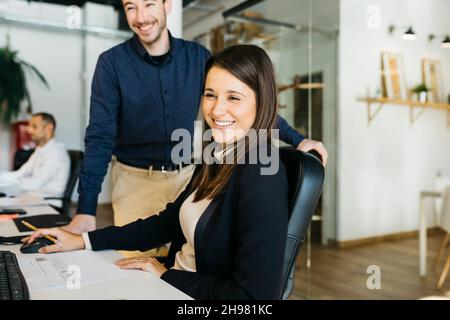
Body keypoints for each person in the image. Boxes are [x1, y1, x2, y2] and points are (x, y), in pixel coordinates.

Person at [24, 44, 292, 300]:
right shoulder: (217, 158)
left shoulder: (262, 175)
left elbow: (252, 298)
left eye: (233, 97)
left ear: (261, 101)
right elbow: (166, 223)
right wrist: (83, 240)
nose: (216, 109)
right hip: (171, 285)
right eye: (210, 94)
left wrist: (165, 275)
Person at [65, 0, 327, 236]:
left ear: (167, 5)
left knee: (182, 268)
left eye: (149, 4)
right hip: (134, 183)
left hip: (189, 179)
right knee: (136, 271)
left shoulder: (198, 57)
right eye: (130, 7)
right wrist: (86, 209)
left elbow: (243, 106)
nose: (141, 17)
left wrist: (298, 139)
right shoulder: (111, 64)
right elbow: (100, 136)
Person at [0, 113, 70, 206]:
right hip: (33, 197)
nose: (29, 130)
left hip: (48, 203)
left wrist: (8, 184)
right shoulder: (41, 150)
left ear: (49, 128)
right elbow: (20, 174)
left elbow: (35, 183)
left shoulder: (56, 153)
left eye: (34, 126)